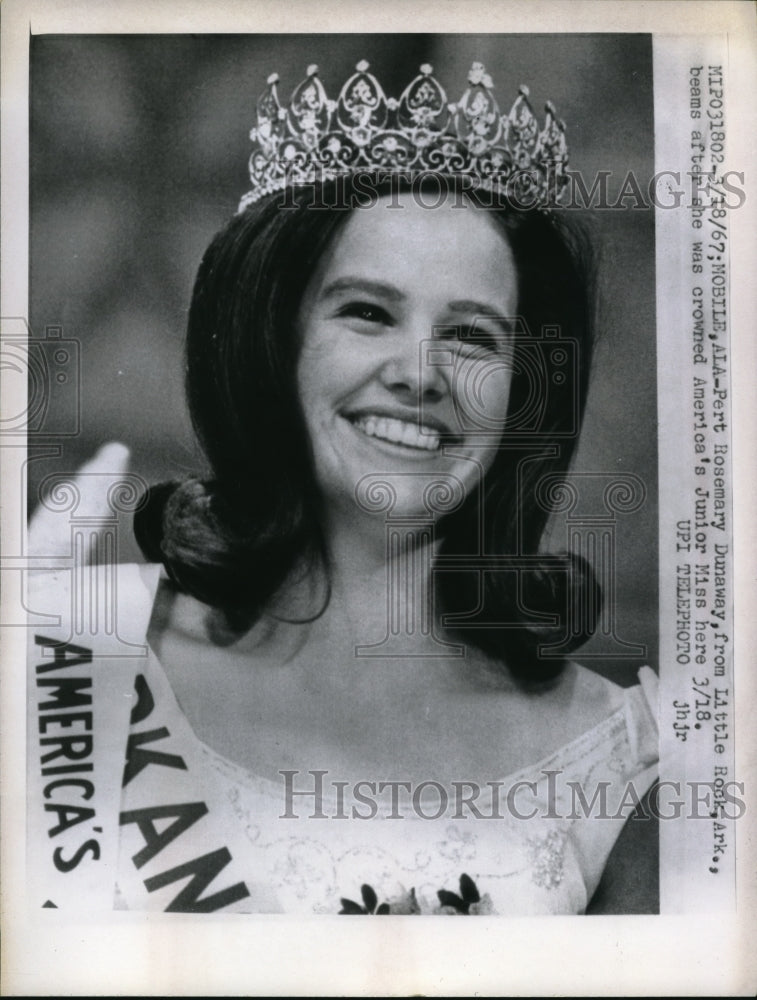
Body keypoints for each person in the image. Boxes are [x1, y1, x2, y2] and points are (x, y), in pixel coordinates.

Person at [27, 61, 658, 915]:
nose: (419, 373)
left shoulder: (617, 758)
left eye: (472, 336)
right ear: (274, 340)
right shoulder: (70, 663)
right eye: (366, 312)